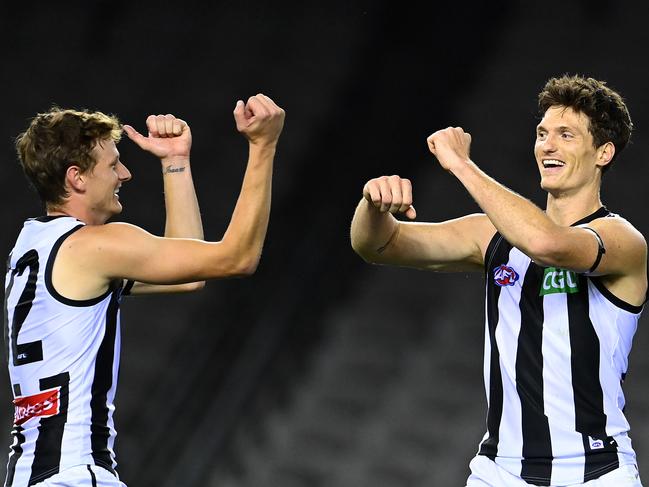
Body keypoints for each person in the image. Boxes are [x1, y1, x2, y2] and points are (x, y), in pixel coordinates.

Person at [350, 75, 646, 486]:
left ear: (604, 152)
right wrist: (373, 206)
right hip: (500, 472)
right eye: (542, 133)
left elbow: (548, 243)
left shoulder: (623, 240)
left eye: (566, 135)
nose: (548, 145)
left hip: (595, 474)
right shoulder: (491, 237)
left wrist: (462, 165)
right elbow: (377, 246)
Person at [4, 94, 284, 486]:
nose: (125, 175)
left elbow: (187, 273)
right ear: (76, 177)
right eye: (113, 165)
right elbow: (237, 257)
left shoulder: (32, 247)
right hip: (75, 476)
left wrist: (175, 163)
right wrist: (263, 147)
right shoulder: (95, 246)